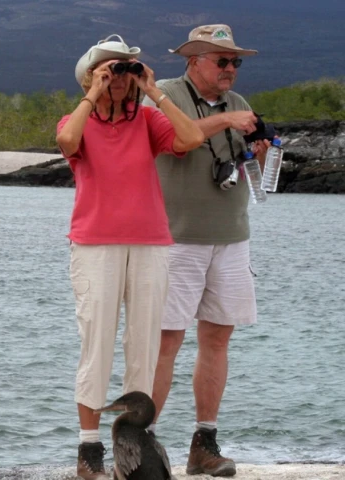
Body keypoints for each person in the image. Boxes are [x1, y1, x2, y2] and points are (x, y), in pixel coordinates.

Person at [56, 35, 204, 480]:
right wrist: (93, 94)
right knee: (96, 343)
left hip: (150, 243)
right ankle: (89, 451)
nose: (118, 78)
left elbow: (192, 137)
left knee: (143, 344)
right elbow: (66, 141)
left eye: (124, 70)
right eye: (107, 69)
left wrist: (154, 90)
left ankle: (136, 449)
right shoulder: (76, 117)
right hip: (95, 243)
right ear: (89, 75)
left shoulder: (148, 121)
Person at [142, 24, 269, 477]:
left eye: (235, 61)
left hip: (232, 236)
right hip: (175, 240)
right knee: (165, 342)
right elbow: (175, 140)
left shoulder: (240, 105)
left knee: (218, 338)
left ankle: (205, 444)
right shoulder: (161, 95)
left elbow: (242, 167)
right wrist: (225, 122)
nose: (231, 69)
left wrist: (257, 154)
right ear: (194, 60)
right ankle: (141, 447)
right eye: (223, 61)